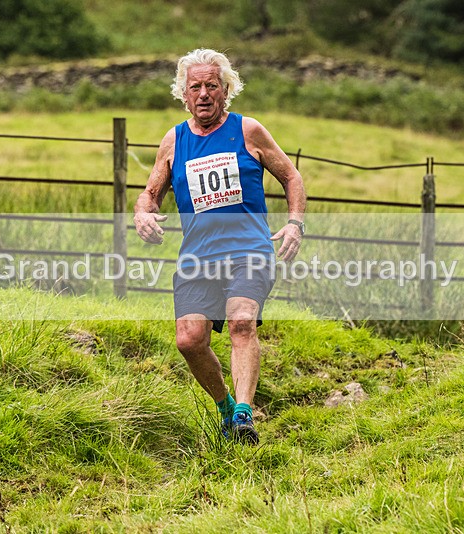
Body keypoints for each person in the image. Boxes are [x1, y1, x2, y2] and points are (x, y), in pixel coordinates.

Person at [134, 49, 306, 444]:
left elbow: (291, 177)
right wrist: (143, 214)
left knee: (241, 321)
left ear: (226, 90)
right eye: (196, 86)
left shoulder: (248, 131)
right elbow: (149, 193)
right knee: (189, 340)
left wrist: (295, 223)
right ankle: (227, 409)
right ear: (184, 93)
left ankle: (245, 413)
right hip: (198, 257)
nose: (204, 93)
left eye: (212, 85)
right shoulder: (174, 140)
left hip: (249, 250)